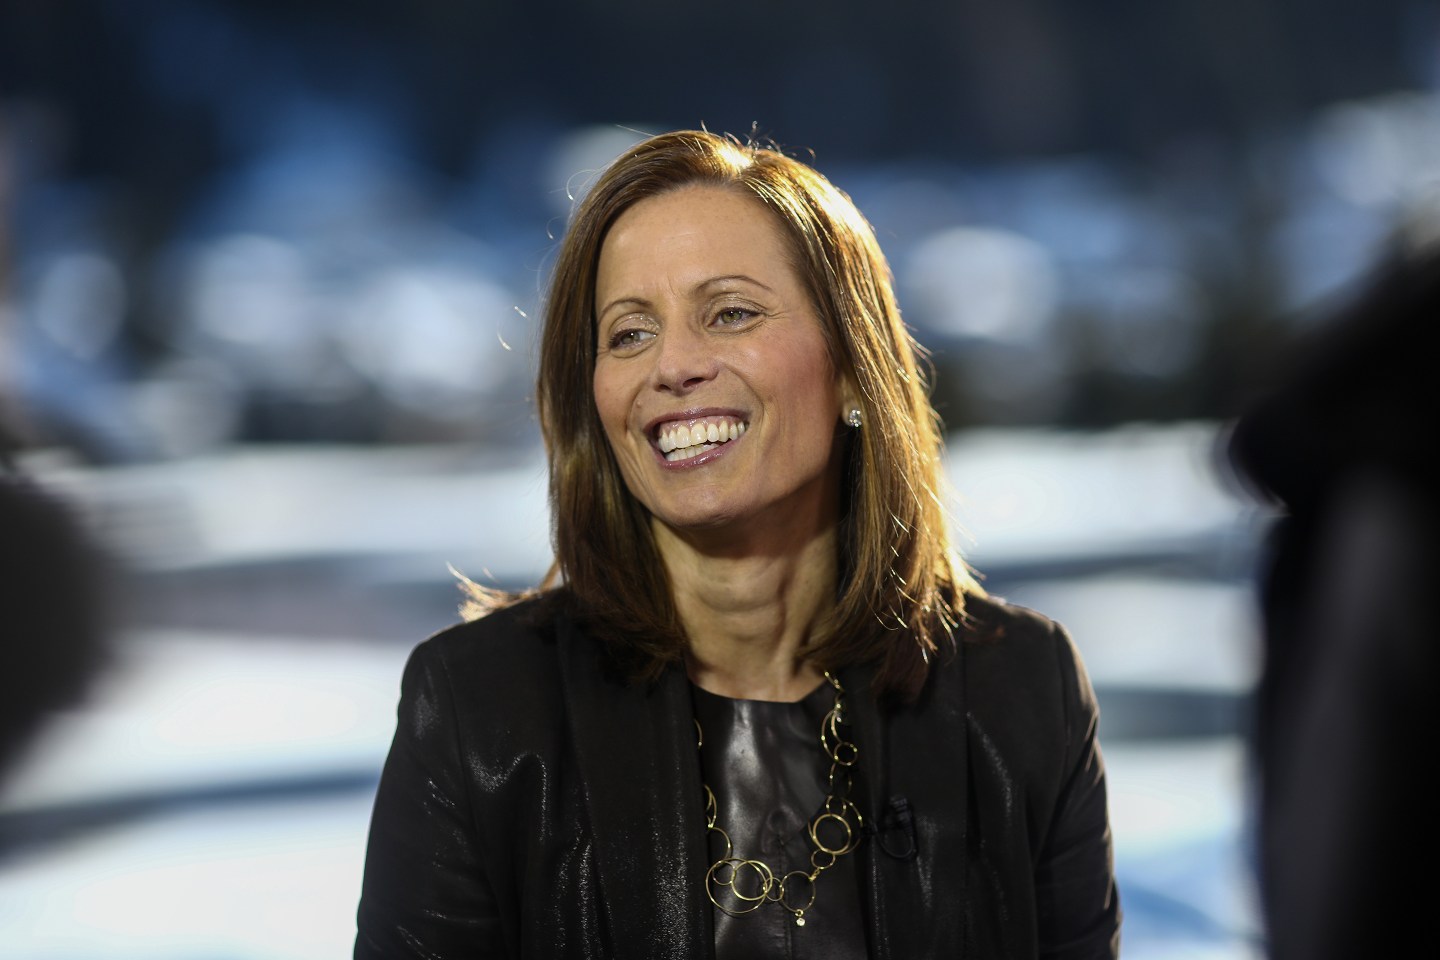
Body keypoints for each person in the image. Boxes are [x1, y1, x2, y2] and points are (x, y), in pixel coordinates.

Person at [354, 130, 1120, 959]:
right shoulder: (476, 711)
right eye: (629, 333)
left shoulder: (1025, 691)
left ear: (853, 369)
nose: (673, 366)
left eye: (731, 313)